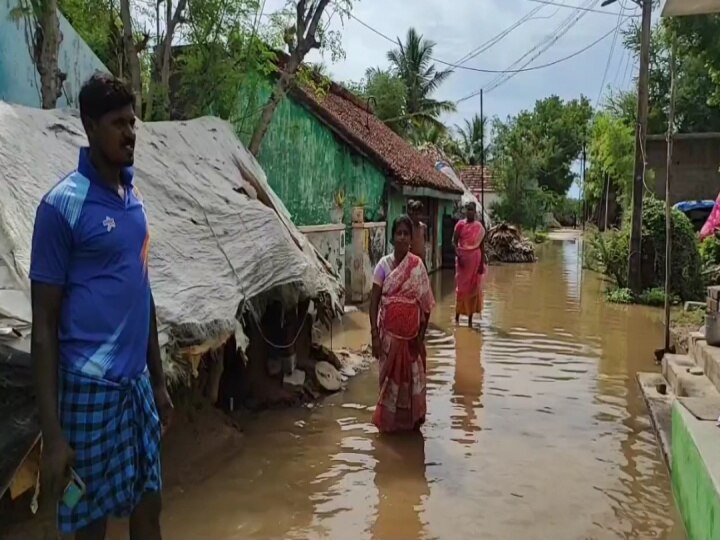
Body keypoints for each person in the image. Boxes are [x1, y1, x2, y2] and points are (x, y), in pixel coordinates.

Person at [30, 73, 172, 540]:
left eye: (133, 123)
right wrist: (53, 437)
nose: (130, 133)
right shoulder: (60, 206)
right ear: (90, 128)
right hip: (88, 393)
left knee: (148, 511)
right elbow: (44, 326)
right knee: (88, 526)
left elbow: (142, 291)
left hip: (137, 392)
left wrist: (158, 378)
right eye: (118, 123)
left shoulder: (136, 201)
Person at [370, 216, 435, 433]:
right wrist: (374, 337)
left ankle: (410, 425)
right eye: (398, 233)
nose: (402, 237)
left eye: (406, 233)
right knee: (389, 385)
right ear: (392, 237)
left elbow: (426, 305)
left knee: (411, 385)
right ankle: (389, 426)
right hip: (388, 340)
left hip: (412, 342)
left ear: (411, 238)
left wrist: (420, 338)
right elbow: (373, 303)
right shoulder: (383, 266)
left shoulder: (417, 266)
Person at [453, 202, 486, 328]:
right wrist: (458, 256)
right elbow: (454, 242)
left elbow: (482, 247)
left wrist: (481, 264)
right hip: (463, 262)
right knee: (461, 290)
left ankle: (470, 321)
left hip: (475, 262)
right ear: (465, 211)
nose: (470, 212)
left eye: (472, 210)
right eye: (468, 210)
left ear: (475, 211)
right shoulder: (460, 225)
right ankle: (457, 318)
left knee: (473, 289)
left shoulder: (479, 227)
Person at [408, 199, 428, 268]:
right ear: (412, 214)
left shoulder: (423, 227)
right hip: (411, 261)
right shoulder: (409, 227)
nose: (417, 217)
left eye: (419, 214)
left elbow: (424, 242)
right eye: (415, 214)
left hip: (421, 260)